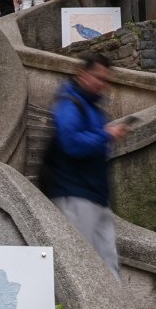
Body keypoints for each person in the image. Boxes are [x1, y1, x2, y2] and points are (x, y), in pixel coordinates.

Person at [41, 53, 127, 276]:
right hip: (74, 194)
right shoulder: (69, 104)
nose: (101, 84)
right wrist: (105, 135)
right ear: (82, 75)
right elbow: (71, 143)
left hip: (97, 197)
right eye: (97, 77)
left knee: (108, 263)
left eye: (105, 79)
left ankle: (115, 300)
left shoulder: (95, 109)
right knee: (81, 265)